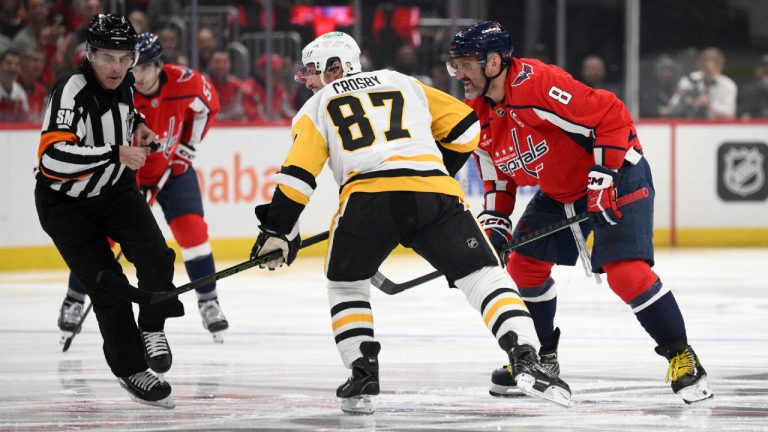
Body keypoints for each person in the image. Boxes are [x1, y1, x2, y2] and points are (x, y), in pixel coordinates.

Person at [249, 31, 572, 414]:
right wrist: (431, 170)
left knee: (346, 284)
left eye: (314, 71)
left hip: (366, 200)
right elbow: (467, 128)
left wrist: (277, 230)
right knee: (484, 275)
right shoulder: (401, 81)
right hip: (433, 193)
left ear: (337, 68)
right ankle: (525, 355)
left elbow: (298, 176)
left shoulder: (317, 107)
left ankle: (363, 371)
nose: (309, 80)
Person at [446, 21, 713, 404]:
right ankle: (542, 360)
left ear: (493, 62)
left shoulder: (536, 84)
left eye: (466, 63)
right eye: (455, 64)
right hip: (560, 191)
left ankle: (682, 356)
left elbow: (611, 115)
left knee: (626, 272)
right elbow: (497, 182)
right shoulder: (476, 117)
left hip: (618, 171)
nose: (459, 74)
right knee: (522, 266)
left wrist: (603, 177)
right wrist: (495, 231)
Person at [35, 14, 183, 408]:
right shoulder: (70, 91)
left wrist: (139, 127)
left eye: (125, 57)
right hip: (65, 206)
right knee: (108, 285)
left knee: (156, 255)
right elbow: (51, 158)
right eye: (108, 58)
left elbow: (125, 114)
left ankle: (151, 326)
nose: (117, 67)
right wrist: (115, 152)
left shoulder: (125, 82)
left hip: (114, 189)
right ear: (90, 54)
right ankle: (131, 367)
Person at [57, 32, 229, 343]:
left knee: (192, 231)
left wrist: (187, 148)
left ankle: (209, 300)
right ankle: (73, 298)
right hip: (124, 173)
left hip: (173, 170)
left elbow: (208, 106)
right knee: (103, 240)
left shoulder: (186, 82)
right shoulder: (115, 90)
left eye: (145, 67)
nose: (137, 75)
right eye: (133, 67)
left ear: (159, 65)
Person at [661, 47, 737, 119]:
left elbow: (730, 113)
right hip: (691, 123)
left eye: (714, 62)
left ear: (720, 65)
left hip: (717, 127)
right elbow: (672, 108)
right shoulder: (688, 80)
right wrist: (682, 99)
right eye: (705, 62)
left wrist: (709, 104)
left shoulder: (728, 85)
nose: (709, 66)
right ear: (700, 64)